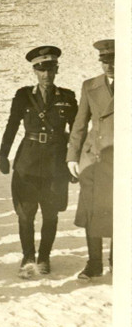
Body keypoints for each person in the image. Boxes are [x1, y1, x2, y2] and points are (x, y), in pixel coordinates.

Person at [0, 46, 78, 278]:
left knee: (51, 213)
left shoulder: (68, 97)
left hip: (56, 163)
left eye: (51, 69)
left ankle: (44, 256)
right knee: (26, 213)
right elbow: (12, 126)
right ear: (34, 71)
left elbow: (76, 133)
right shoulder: (24, 96)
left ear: (56, 69)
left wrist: (74, 162)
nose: (46, 74)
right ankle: (28, 256)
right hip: (28, 162)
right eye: (41, 70)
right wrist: (3, 155)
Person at [66, 39, 114, 280]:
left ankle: (117, 261)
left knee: (121, 210)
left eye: (113, 60)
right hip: (94, 159)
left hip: (121, 159)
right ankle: (94, 263)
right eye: (104, 61)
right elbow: (80, 123)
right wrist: (72, 156)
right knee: (92, 211)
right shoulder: (90, 86)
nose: (109, 66)